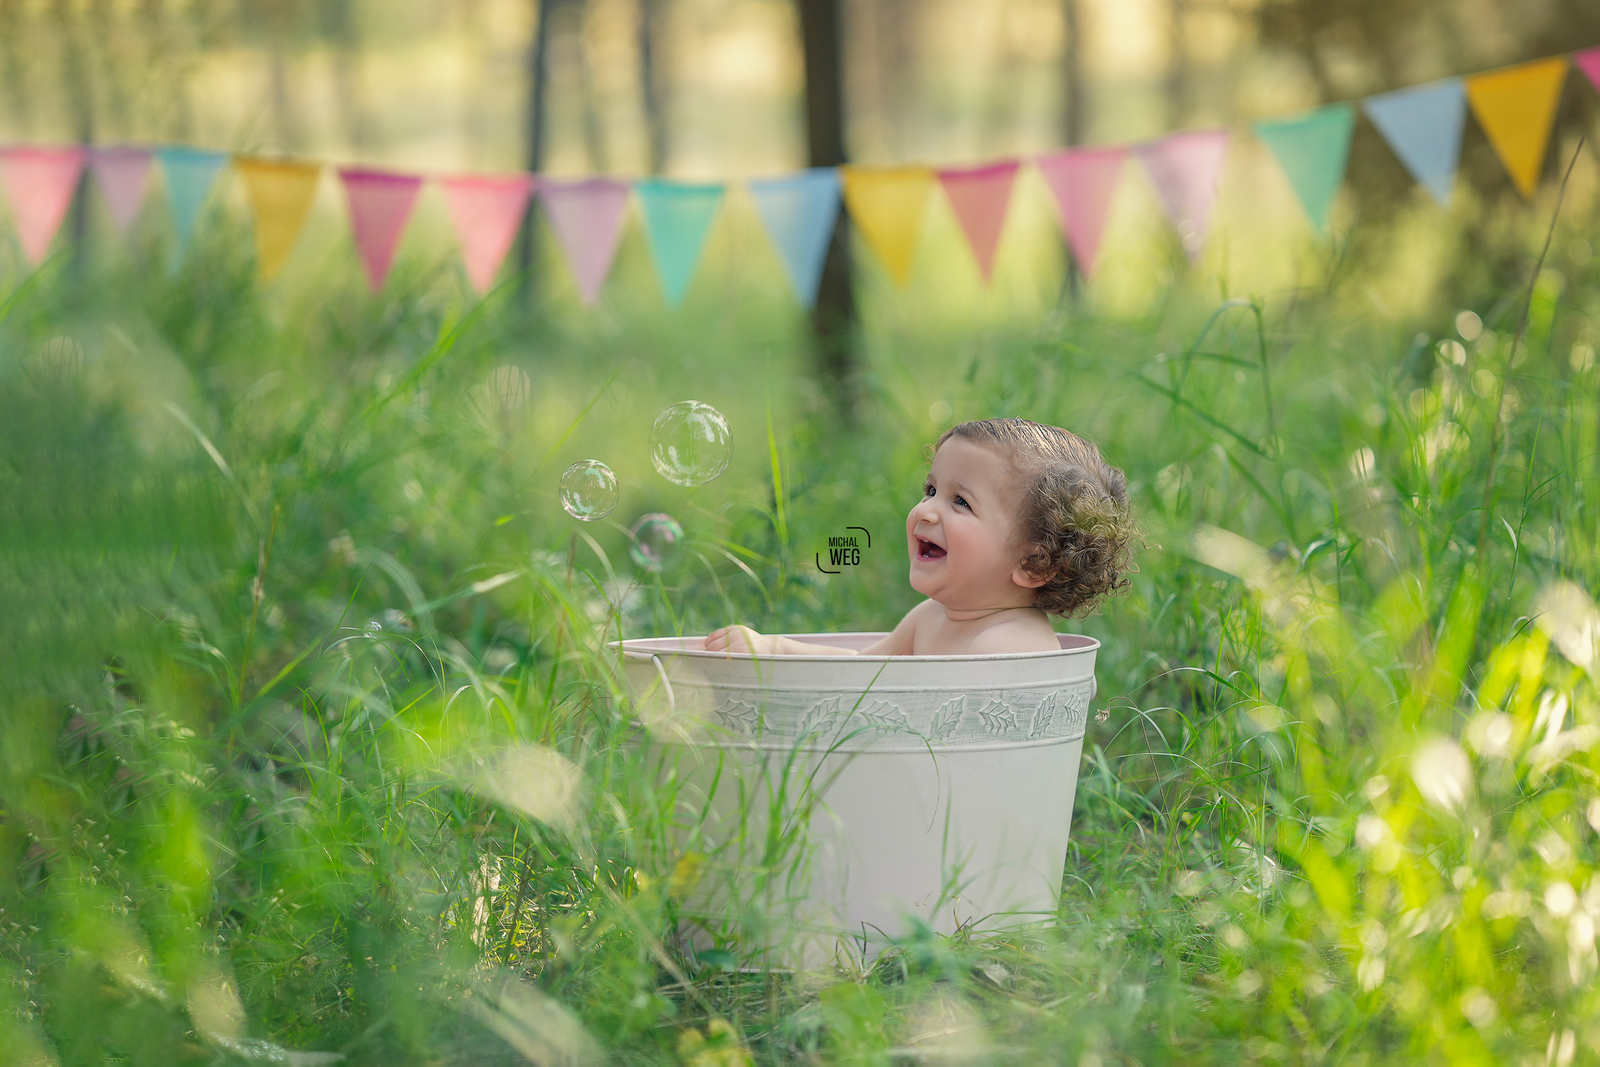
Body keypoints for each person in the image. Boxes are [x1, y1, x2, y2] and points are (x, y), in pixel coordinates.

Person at [704, 418, 1135, 656]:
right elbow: (862, 674)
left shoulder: (1007, 647)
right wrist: (774, 649)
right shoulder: (929, 618)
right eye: (931, 490)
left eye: (960, 502)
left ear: (1033, 563)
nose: (925, 510)